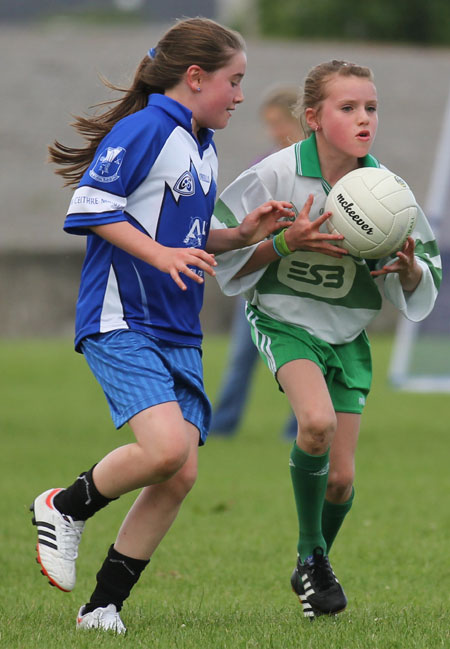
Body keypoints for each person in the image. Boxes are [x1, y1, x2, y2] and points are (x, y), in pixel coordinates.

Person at [29, 17, 295, 634]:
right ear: (195, 77)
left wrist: (245, 234)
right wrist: (159, 255)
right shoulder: (146, 127)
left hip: (179, 328)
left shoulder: (202, 143)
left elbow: (188, 239)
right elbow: (91, 208)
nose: (240, 95)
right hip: (122, 319)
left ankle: (101, 610)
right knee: (167, 448)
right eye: (235, 81)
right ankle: (64, 507)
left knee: (178, 475)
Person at [210, 59, 441, 618]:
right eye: (348, 107)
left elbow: (425, 271)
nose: (364, 119)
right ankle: (315, 561)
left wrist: (406, 270)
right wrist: (287, 243)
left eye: (371, 108)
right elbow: (226, 252)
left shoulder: (387, 191)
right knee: (315, 424)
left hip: (347, 336)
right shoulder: (275, 174)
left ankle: (310, 561)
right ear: (312, 117)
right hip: (286, 320)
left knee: (340, 481)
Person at [211, 86, 304, 438]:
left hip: (299, 281)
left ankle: (298, 427)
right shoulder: (263, 168)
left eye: (277, 122)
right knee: (241, 357)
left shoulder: (322, 166)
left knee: (304, 358)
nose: (272, 131)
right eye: (269, 124)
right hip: (258, 277)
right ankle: (222, 426)